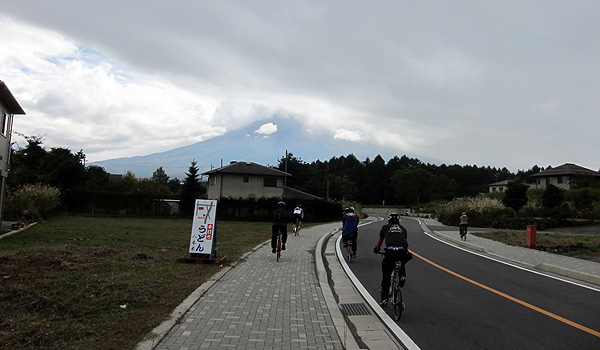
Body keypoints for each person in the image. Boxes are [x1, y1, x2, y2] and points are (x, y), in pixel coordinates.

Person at [373, 213, 412, 304]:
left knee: (387, 273)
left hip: (390, 252)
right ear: (399, 221)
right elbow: (403, 241)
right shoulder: (403, 229)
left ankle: (384, 298)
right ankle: (402, 275)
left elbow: (380, 241)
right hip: (402, 251)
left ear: (388, 220)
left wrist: (377, 249)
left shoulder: (385, 227)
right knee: (401, 261)